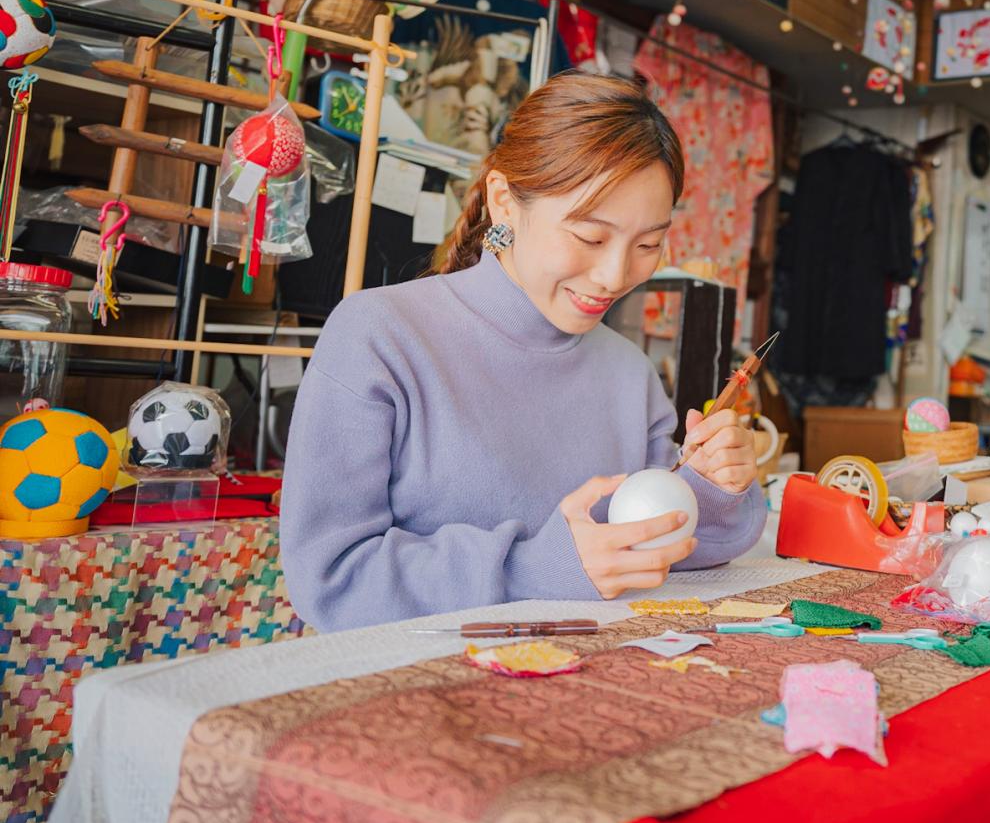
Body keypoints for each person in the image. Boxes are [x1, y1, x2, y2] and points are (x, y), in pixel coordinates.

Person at [282, 74, 766, 632]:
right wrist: (530, 569)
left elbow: (662, 545)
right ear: (504, 203)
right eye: (589, 237)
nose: (614, 275)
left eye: (648, 245)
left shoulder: (628, 373)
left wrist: (713, 487)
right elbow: (331, 577)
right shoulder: (379, 336)